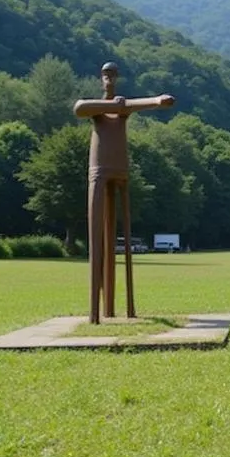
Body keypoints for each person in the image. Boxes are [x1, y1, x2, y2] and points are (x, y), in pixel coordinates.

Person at [74, 62, 175, 322]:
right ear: (101, 78)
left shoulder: (123, 109)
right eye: (105, 75)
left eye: (113, 75)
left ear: (117, 78)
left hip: (120, 169)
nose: (109, 79)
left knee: (124, 236)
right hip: (98, 170)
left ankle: (128, 308)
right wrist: (114, 105)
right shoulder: (99, 109)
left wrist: (156, 100)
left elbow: (138, 104)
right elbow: (79, 108)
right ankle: (96, 312)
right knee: (97, 238)